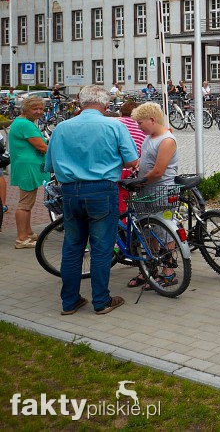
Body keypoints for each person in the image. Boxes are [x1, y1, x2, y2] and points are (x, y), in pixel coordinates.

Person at [45, 85, 139, 316]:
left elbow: (49, 165)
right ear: (106, 105)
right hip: (102, 190)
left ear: (80, 103)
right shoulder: (114, 126)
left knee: (72, 247)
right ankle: (101, 301)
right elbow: (131, 161)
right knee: (101, 248)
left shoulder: (61, 127)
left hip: (70, 191)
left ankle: (69, 302)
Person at [127, 102, 179, 290]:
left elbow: (158, 171)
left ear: (152, 119)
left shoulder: (167, 140)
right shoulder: (149, 138)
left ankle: (169, 272)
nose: (138, 126)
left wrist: (139, 182)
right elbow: (145, 160)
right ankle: (150, 268)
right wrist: (136, 169)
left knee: (164, 231)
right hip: (147, 191)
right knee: (147, 229)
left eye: (140, 123)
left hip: (162, 191)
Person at [8, 96, 48, 248]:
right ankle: (22, 239)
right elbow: (41, 146)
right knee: (25, 204)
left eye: (41, 108)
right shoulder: (26, 124)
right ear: (25, 109)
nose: (39, 112)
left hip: (24, 165)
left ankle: (28, 232)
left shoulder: (21, 122)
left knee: (28, 202)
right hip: (27, 167)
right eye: (35, 109)